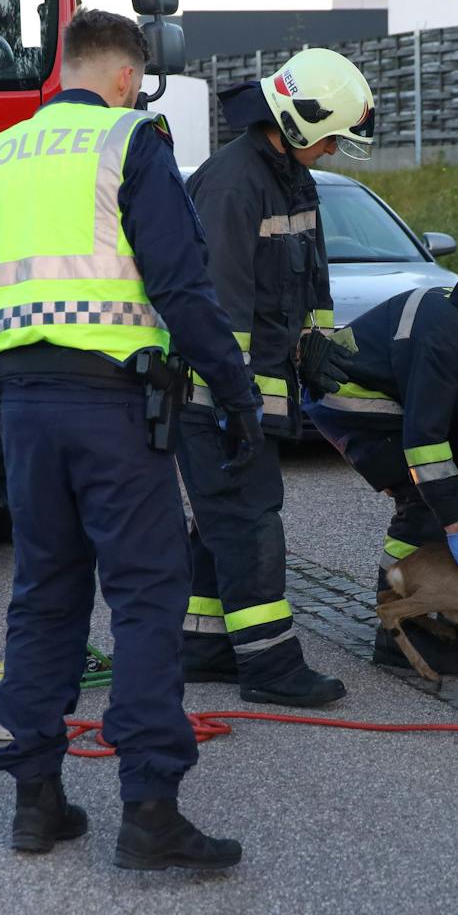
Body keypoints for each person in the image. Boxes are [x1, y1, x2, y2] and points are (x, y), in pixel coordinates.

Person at [0, 9, 260, 871]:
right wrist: (236, 393)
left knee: (46, 596)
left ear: (62, 69)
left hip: (27, 410)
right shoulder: (132, 142)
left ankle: (35, 803)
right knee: (149, 596)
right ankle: (150, 810)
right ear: (125, 76)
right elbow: (183, 288)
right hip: (115, 409)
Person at [175, 48, 375, 705]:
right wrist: (235, 404)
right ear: (295, 123)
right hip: (216, 398)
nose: (334, 150)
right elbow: (219, 310)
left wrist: (318, 340)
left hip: (248, 391)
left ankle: (202, 642)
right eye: (330, 138)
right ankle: (270, 665)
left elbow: (311, 278)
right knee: (250, 518)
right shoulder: (235, 187)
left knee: (219, 520)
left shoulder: (292, 178)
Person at [302, 275, 458, 672]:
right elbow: (425, 443)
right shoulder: (446, 336)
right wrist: (455, 531)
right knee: (424, 503)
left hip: (408, 397)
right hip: (350, 394)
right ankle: (402, 631)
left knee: (456, 499)